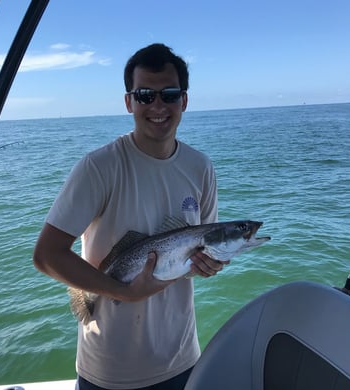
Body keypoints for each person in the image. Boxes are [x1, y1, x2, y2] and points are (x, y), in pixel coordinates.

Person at [33, 43, 229, 390]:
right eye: (144, 95)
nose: (157, 106)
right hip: (109, 371)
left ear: (184, 100)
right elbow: (47, 256)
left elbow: (197, 253)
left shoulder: (201, 167)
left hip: (182, 360)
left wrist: (207, 265)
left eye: (169, 94)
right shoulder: (99, 167)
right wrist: (125, 293)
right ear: (129, 102)